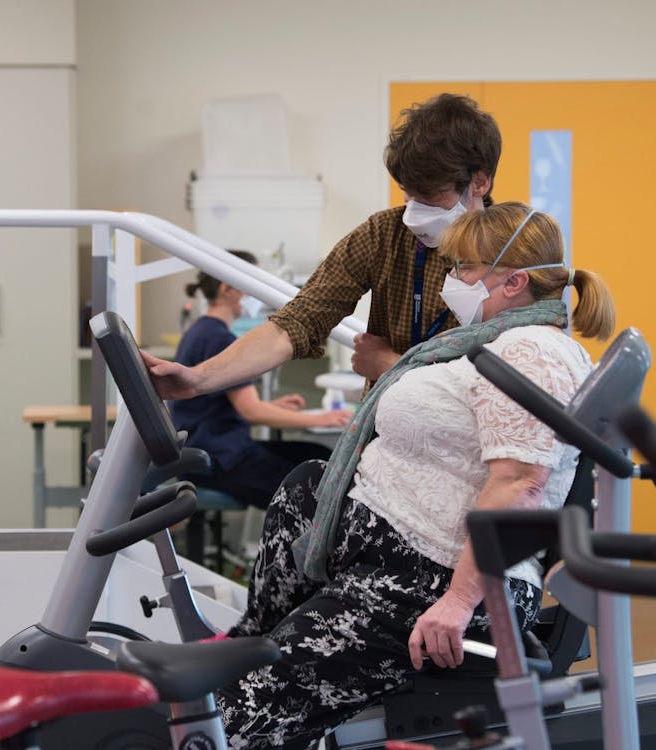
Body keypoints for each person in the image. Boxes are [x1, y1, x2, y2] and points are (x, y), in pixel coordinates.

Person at [215, 203, 616, 749]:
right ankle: (249, 642)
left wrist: (456, 601)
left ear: (515, 281)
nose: (453, 281)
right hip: (394, 563)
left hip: (427, 581)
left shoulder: (532, 352)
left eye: (466, 270)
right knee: (308, 484)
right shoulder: (492, 342)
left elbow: (520, 481)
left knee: (234, 717)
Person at [142, 92, 503, 400]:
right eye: (410, 193)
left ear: (479, 182)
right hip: (388, 440)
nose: (416, 210)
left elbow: (506, 386)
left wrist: (386, 365)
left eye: (431, 194)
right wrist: (198, 379)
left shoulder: (517, 254)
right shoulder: (385, 235)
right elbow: (295, 323)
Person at [170, 251, 353, 516]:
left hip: (214, 451)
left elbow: (220, 404)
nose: (254, 294)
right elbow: (250, 411)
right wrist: (322, 419)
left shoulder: (201, 331)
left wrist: (273, 406)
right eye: (250, 284)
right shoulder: (218, 339)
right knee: (313, 491)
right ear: (228, 289)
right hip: (219, 459)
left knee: (314, 454)